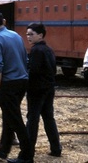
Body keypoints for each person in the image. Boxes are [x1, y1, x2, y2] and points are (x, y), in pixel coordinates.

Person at [0, 11, 33, 163]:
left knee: (15, 119)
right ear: (4, 21)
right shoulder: (16, 35)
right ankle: (3, 150)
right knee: (9, 116)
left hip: (8, 83)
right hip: (22, 81)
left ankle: (27, 155)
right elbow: (25, 59)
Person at [25, 23, 62, 158]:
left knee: (32, 120)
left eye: (31, 34)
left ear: (40, 35)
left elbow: (32, 71)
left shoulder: (36, 51)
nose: (28, 37)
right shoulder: (49, 49)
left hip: (36, 90)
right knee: (48, 118)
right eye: (27, 34)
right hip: (48, 88)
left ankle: (28, 152)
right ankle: (56, 148)